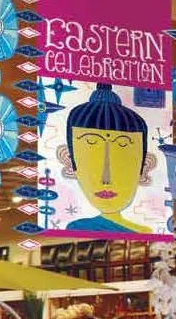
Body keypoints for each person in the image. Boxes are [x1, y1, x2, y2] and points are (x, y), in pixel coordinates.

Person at [61, 83, 154, 233]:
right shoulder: (77, 229)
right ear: (70, 162)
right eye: (92, 164)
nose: (106, 179)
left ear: (144, 167)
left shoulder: (146, 232)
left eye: (121, 167)